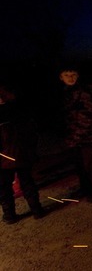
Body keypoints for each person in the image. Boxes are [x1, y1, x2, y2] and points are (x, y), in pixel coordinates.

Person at [59, 66, 92, 203]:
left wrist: (74, 138)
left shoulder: (84, 93)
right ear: (61, 77)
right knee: (82, 166)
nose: (71, 78)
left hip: (89, 137)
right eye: (67, 75)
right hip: (77, 137)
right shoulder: (67, 93)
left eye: (73, 74)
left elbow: (88, 119)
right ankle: (87, 188)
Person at [0, 82, 45, 224]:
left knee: (4, 187)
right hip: (21, 155)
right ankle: (37, 210)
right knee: (27, 182)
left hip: (4, 158)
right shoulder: (21, 109)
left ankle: (10, 216)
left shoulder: (14, 111)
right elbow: (32, 133)